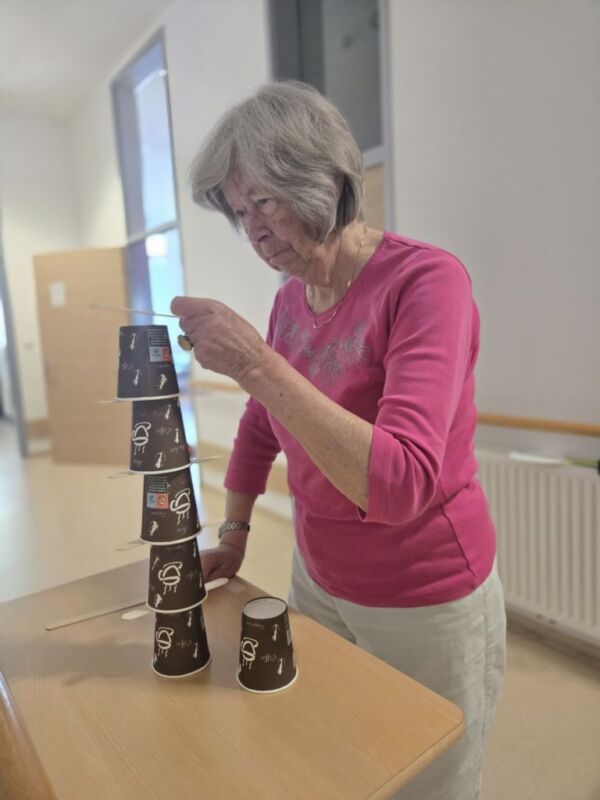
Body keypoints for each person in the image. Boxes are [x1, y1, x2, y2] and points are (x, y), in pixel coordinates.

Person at [171, 80, 506, 800]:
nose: (254, 232)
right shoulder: (290, 299)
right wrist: (234, 531)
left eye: (264, 202)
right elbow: (263, 422)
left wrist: (255, 362)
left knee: (432, 782)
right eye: (239, 213)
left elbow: (400, 482)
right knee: (341, 755)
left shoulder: (426, 282)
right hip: (318, 578)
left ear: (319, 178)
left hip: (424, 593)